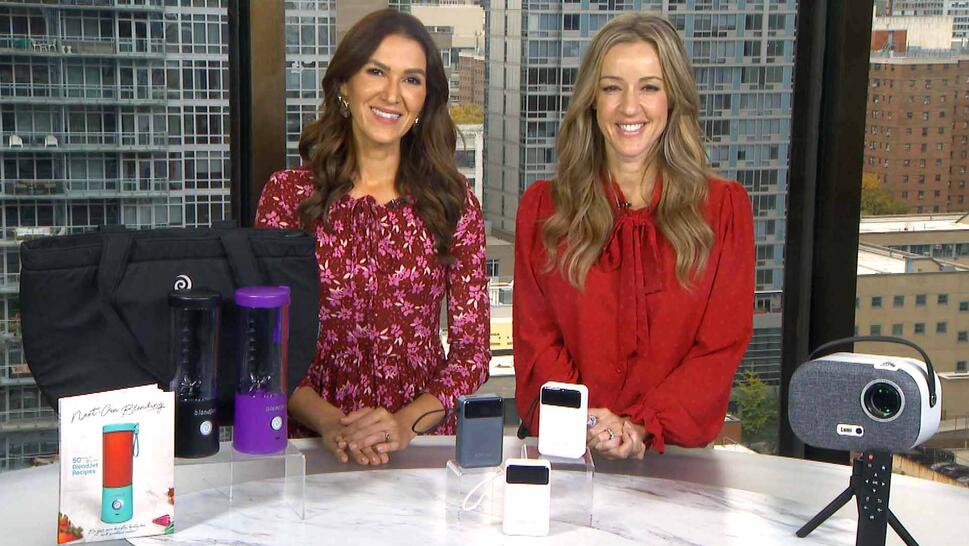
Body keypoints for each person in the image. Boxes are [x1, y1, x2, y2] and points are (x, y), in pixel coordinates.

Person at [513, 13, 754, 459]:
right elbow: (537, 341)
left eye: (649, 87)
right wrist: (590, 422)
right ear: (591, 100)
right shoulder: (544, 209)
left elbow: (719, 347)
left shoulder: (724, 209)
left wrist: (642, 426)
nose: (629, 107)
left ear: (672, 99)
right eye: (611, 88)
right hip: (570, 452)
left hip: (676, 464)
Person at [255, 9, 490, 466]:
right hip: (311, 446)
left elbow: (473, 352)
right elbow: (268, 343)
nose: (392, 94)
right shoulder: (287, 197)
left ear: (426, 99)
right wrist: (329, 422)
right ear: (345, 85)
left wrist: (404, 424)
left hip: (422, 448)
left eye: (412, 80)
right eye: (376, 71)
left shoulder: (454, 201)